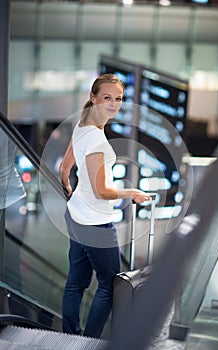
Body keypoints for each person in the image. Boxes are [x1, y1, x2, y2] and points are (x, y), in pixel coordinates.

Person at [59, 73, 149, 338]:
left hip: (76, 216)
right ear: (93, 97)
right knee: (109, 285)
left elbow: (65, 168)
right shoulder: (97, 139)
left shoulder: (82, 126)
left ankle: (71, 336)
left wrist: (69, 186)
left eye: (118, 99)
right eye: (107, 97)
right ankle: (89, 341)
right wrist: (130, 192)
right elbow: (101, 191)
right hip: (96, 224)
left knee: (76, 282)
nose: (113, 104)